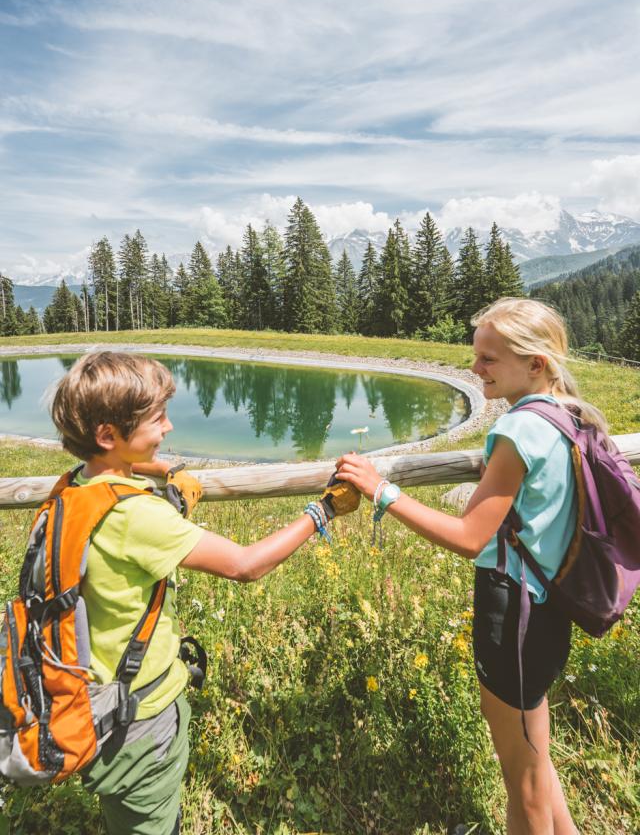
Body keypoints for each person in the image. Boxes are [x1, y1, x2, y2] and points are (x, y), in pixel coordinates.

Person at [48, 350, 358, 835]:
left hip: (91, 703)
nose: (168, 426)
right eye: (156, 418)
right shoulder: (137, 517)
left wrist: (163, 474)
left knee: (123, 817)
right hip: (140, 720)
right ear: (108, 434)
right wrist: (324, 511)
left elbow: (122, 496)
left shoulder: (73, 487)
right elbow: (246, 565)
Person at [335, 297, 604, 835]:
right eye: (475, 356)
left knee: (522, 783)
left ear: (535, 363)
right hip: (548, 607)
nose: (474, 368)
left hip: (515, 616)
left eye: (488, 359)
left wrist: (381, 490)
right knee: (535, 757)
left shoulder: (520, 432)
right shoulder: (564, 414)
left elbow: (467, 536)